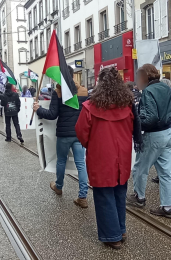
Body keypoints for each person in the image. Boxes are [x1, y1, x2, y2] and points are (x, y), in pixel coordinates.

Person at [75, 67, 143, 249]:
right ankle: (121, 230)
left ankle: (113, 236)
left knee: (104, 196)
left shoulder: (90, 106)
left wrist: (93, 144)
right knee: (119, 193)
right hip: (122, 155)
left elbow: (81, 132)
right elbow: (132, 129)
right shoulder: (127, 104)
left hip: (101, 156)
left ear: (99, 83)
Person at [33, 65, 89, 208]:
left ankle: (58, 186)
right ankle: (83, 196)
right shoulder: (83, 91)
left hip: (64, 134)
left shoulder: (58, 92)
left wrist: (38, 109)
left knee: (61, 161)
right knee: (81, 164)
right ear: (73, 75)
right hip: (79, 134)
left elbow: (52, 115)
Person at [127, 64, 171, 219]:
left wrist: (137, 120)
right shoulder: (164, 88)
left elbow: (151, 117)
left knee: (140, 168)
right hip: (168, 133)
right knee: (166, 171)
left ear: (145, 77)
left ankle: (139, 197)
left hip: (153, 135)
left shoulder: (148, 91)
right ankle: (168, 206)